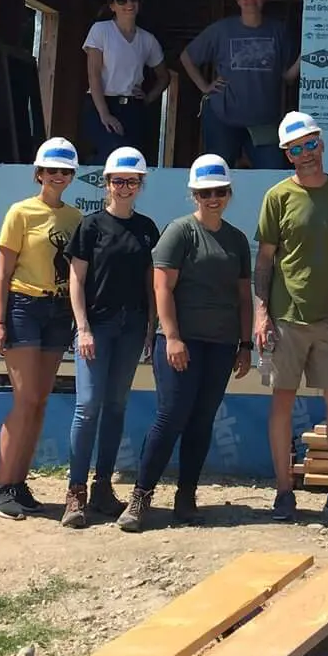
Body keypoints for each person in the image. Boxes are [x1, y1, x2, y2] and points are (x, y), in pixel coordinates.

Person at [121, 154, 254, 531]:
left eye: (219, 191)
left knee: (201, 421)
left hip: (221, 344)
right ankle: (141, 496)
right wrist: (173, 337)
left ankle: (186, 497)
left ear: (228, 193)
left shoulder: (236, 239)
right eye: (205, 192)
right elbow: (162, 287)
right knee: (170, 417)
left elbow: (244, 297)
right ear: (193, 194)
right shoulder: (180, 232)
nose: (213, 198)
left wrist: (245, 345)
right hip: (181, 343)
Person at [253, 111, 328, 525]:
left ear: (321, 142)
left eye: (310, 144)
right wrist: (262, 311)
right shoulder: (277, 197)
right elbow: (264, 260)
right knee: (282, 400)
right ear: (287, 155)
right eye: (296, 148)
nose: (305, 153)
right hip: (285, 317)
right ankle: (284, 491)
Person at [0, 137, 83, 520]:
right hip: (24, 306)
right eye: (51, 170)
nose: (58, 176)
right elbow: (2, 273)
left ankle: (18, 483)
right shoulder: (21, 213)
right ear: (38, 174)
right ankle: (1, 487)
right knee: (25, 399)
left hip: (58, 309)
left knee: (40, 402)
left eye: (65, 171)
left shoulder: (75, 218)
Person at [63, 146, 156, 528]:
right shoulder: (90, 226)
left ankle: (103, 488)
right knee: (87, 407)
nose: (124, 187)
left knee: (116, 407)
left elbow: (152, 285)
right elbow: (76, 280)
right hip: (97, 328)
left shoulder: (148, 229)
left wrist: (151, 328)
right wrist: (82, 327)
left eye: (131, 181)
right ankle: (75, 492)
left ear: (140, 184)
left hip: (131, 327)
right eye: (118, 180)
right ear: (107, 183)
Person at [180, 0, 298, 170]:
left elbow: (287, 77)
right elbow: (186, 57)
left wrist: (306, 56)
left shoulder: (278, 31)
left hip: (264, 121)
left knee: (272, 177)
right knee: (216, 176)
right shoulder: (221, 30)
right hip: (223, 118)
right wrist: (204, 87)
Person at [82, 0, 169, 163]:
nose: (129, 4)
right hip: (101, 105)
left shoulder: (148, 40)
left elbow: (164, 77)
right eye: (121, 0)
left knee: (132, 161)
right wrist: (104, 114)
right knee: (113, 153)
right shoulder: (100, 30)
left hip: (132, 109)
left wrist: (147, 98)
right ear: (112, 5)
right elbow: (94, 75)